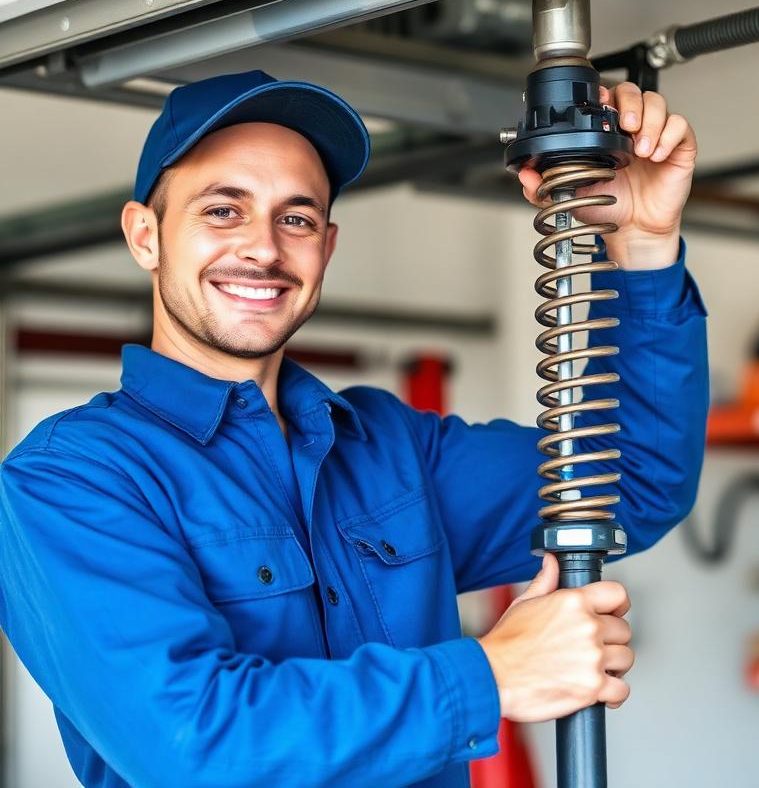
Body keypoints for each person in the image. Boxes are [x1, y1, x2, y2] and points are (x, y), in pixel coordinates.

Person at [0, 70, 707, 788]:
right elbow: (193, 745)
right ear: (145, 236)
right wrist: (490, 675)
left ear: (327, 247)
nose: (264, 249)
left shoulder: (392, 451)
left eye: (296, 219)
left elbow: (636, 481)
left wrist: (644, 242)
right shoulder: (70, 479)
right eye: (222, 210)